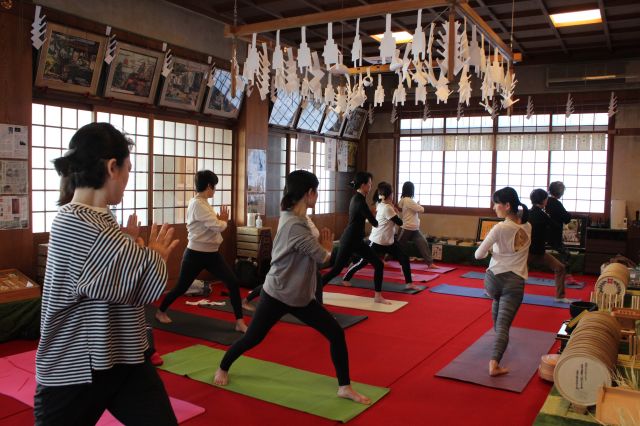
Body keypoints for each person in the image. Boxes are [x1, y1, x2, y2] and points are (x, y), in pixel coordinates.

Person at [34, 123, 180, 425]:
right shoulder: (76, 221)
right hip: (77, 365)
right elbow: (147, 281)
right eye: (128, 169)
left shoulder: (98, 219)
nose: (128, 178)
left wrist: (134, 247)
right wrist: (155, 256)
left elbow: (116, 274)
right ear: (112, 167)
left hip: (124, 353)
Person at [214, 170, 370, 405]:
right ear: (309, 193)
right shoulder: (295, 225)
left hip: (301, 296)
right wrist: (327, 247)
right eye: (315, 191)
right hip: (276, 293)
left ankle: (344, 387)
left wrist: (322, 245)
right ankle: (223, 366)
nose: (317, 195)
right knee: (253, 338)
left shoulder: (294, 215)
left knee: (336, 334)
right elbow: (322, 258)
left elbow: (311, 239)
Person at [156, 170, 248, 333]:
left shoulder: (203, 202)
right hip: (195, 254)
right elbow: (216, 225)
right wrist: (223, 221)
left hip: (212, 254)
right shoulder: (197, 203)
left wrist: (220, 221)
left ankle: (239, 322)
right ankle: (160, 311)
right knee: (181, 287)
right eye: (214, 187)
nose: (215, 190)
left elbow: (213, 224)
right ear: (208, 186)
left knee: (232, 282)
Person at [474, 187, 531, 377]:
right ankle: (494, 364)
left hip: (493, 280)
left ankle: (498, 340)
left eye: (496, 203)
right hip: (514, 282)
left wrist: (494, 252)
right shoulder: (528, 227)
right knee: (504, 324)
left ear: (507, 206)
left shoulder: (499, 228)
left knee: (497, 304)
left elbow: (478, 254)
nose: (493, 207)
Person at [321, 172, 390, 304]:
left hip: (356, 240)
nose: (371, 186)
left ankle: (378, 296)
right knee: (336, 269)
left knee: (378, 264)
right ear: (363, 185)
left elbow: (364, 218)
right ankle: (314, 290)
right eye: (369, 184)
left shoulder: (357, 199)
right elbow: (374, 222)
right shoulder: (359, 201)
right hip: (349, 240)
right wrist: (384, 215)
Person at [341, 182, 417, 290]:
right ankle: (346, 277)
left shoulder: (383, 205)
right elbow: (400, 223)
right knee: (363, 262)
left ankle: (409, 283)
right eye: (392, 193)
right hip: (377, 241)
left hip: (389, 241)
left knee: (404, 258)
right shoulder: (387, 208)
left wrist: (395, 210)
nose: (393, 195)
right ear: (390, 195)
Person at [528, 189, 569, 303]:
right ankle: (559, 296)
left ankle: (560, 297)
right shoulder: (541, 214)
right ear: (543, 200)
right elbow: (555, 226)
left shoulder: (528, 213)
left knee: (560, 268)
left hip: (533, 252)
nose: (547, 201)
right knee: (560, 268)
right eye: (546, 199)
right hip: (532, 252)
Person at [397, 181, 438, 268]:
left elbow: (400, 205)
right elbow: (422, 209)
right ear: (411, 190)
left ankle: (430, 263)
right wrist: (418, 205)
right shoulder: (408, 200)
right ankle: (386, 259)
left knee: (423, 243)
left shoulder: (405, 200)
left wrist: (416, 205)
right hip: (406, 227)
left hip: (414, 228)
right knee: (398, 245)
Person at [546, 181, 576, 283]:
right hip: (554, 235)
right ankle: (567, 276)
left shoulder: (545, 202)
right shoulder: (557, 204)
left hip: (541, 234)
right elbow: (567, 218)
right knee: (566, 254)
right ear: (560, 192)